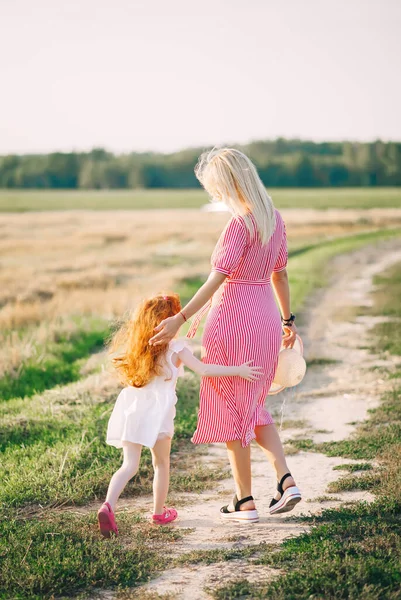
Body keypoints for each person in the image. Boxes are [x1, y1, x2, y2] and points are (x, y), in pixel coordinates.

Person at [149, 148, 301, 523]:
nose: (214, 196)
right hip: (265, 317)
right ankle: (285, 480)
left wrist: (180, 318)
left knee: (233, 405)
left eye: (215, 189)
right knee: (253, 401)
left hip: (233, 316)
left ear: (229, 184)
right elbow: (279, 275)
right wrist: (287, 320)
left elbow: (216, 279)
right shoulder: (274, 221)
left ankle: (244, 500)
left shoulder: (240, 224)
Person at [97, 293, 262, 537]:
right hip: (158, 413)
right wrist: (239, 369)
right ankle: (158, 512)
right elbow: (204, 369)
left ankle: (108, 505)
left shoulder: (138, 347)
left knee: (129, 465)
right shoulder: (176, 347)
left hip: (131, 409)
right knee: (161, 464)